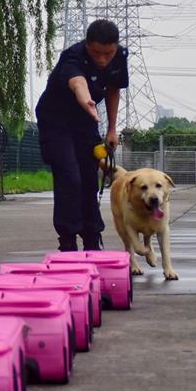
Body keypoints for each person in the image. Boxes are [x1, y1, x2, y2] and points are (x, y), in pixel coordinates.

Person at [35, 19, 129, 252]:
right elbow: (77, 82)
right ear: (87, 45)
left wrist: (112, 129)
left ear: (115, 47)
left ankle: (91, 236)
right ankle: (67, 239)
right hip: (56, 120)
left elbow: (113, 89)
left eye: (108, 53)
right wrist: (86, 99)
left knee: (89, 177)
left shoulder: (119, 57)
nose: (102, 59)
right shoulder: (73, 56)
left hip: (86, 121)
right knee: (70, 176)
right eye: (97, 53)